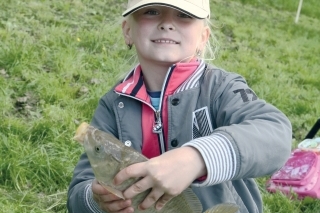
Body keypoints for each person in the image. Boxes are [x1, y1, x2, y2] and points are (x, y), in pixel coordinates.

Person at [67, 0, 292, 212]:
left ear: (203, 37)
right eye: (152, 11)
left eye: (184, 15)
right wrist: (96, 199)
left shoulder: (222, 88)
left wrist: (197, 158)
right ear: (128, 30)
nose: (166, 24)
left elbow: (276, 135)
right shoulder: (113, 104)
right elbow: (79, 193)